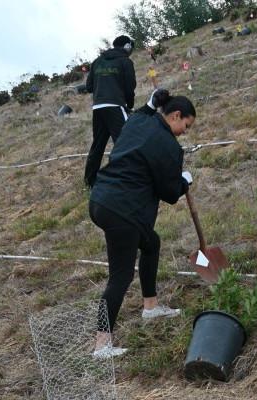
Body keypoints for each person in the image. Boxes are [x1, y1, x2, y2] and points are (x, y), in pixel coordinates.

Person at [89, 89, 196, 358]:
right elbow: (170, 193)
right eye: (186, 125)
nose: (185, 131)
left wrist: (150, 103)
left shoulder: (138, 122)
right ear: (175, 115)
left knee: (151, 243)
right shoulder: (169, 146)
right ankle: (101, 344)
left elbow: (141, 113)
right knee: (120, 276)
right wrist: (185, 181)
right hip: (122, 213)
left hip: (101, 200)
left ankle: (150, 306)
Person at [84, 35, 137, 188]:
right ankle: (127, 177)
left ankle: (89, 181)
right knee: (125, 143)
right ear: (127, 46)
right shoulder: (125, 61)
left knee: (98, 145)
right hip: (115, 106)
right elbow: (130, 87)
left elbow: (89, 87)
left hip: (98, 108)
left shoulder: (97, 62)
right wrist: (130, 105)